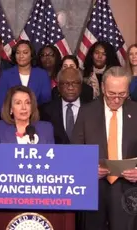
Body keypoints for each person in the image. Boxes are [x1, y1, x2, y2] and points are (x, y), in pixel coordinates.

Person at [71, 66, 137, 230]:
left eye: (122, 94)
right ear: (102, 88)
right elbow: (75, 151)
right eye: (111, 94)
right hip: (95, 188)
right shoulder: (87, 112)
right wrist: (88, 169)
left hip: (129, 191)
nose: (116, 99)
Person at [40, 67, 90, 144]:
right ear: (59, 87)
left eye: (75, 83)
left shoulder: (92, 110)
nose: (70, 87)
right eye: (66, 83)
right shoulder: (46, 111)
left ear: (81, 86)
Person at [0, 40, 51, 111]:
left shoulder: (42, 74)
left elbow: (46, 101)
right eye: (18, 53)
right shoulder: (6, 75)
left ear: (31, 55)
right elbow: (1, 103)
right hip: (11, 119)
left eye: (25, 52)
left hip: (37, 118)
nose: (21, 56)